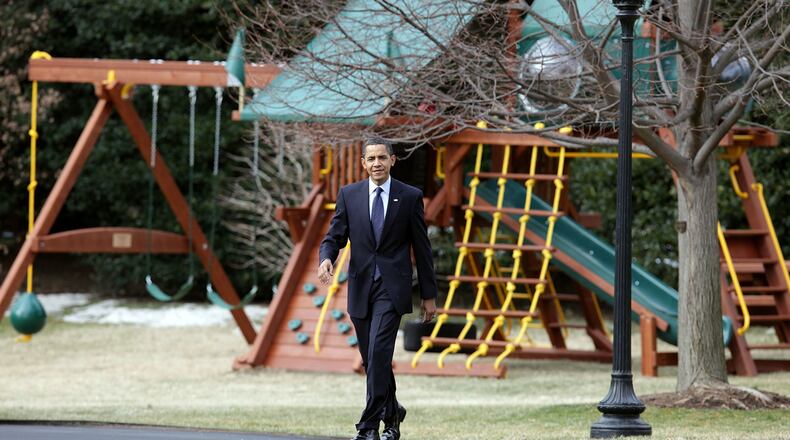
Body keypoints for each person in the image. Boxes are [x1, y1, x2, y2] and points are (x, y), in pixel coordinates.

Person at [318, 137, 437, 440]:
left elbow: (422, 249)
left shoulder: (409, 196)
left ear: (392, 160)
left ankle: (368, 426)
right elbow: (335, 235)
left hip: (392, 289)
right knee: (373, 359)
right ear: (363, 163)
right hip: (360, 287)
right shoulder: (349, 195)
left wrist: (429, 296)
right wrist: (326, 259)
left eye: (382, 158)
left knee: (379, 353)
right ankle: (393, 415)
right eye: (370, 159)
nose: (376, 164)